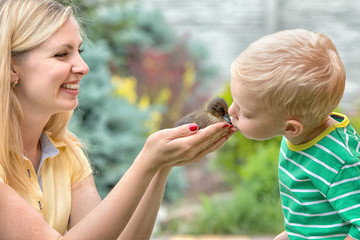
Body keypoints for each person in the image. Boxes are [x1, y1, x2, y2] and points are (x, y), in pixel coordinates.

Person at [0, 0, 237, 239]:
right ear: (12, 68)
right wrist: (144, 162)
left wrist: (160, 166)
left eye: (79, 52)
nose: (83, 67)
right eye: (62, 54)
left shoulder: (65, 154)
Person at [228, 29, 360, 240]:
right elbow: (316, 213)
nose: (231, 111)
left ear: (291, 127)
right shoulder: (303, 135)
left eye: (245, 112)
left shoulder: (339, 163)